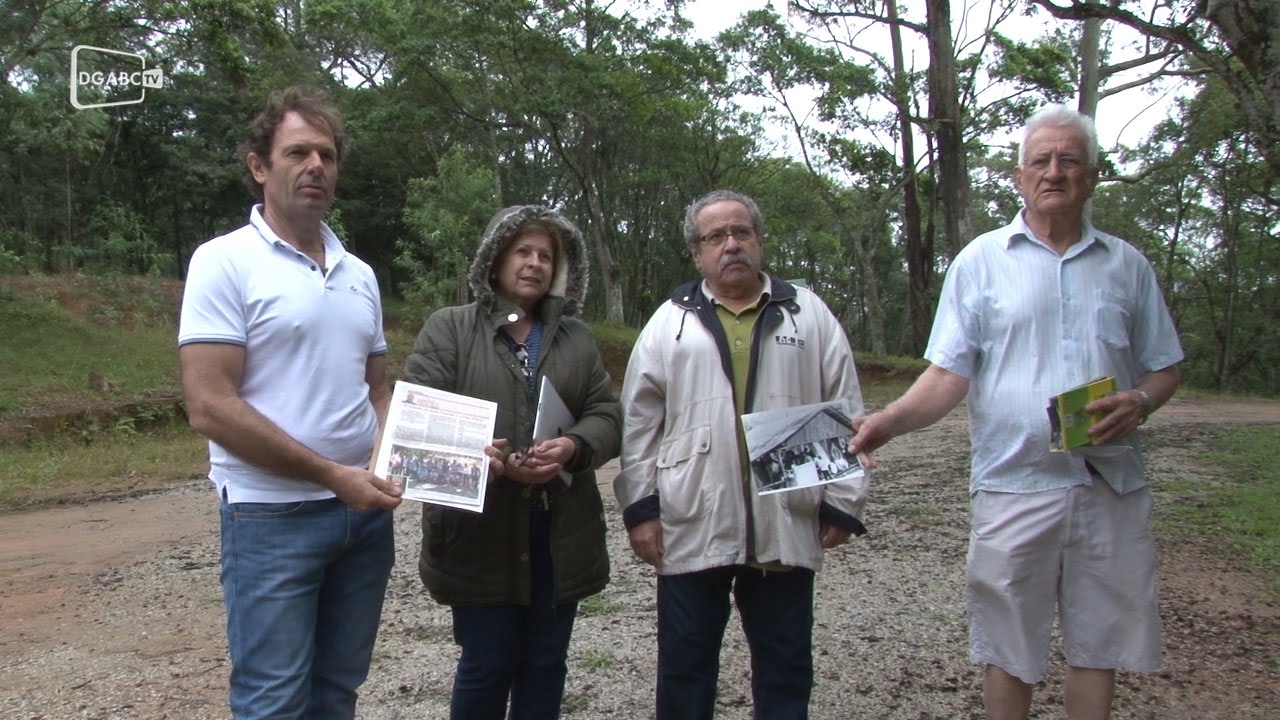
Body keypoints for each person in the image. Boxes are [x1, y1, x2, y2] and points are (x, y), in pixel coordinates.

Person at [849, 104, 1184, 720]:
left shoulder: (1127, 266)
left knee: (1098, 645)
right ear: (1019, 175)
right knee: (1007, 647)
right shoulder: (980, 262)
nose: (1054, 171)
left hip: (1108, 484)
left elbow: (1164, 366)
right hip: (1011, 483)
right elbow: (949, 374)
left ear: (1092, 176)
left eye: (1069, 160)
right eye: (1041, 160)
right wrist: (888, 422)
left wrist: (1140, 399)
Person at [177, 86, 402, 720]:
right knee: (273, 700)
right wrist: (333, 475)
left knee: (336, 692)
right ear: (258, 165)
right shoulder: (224, 262)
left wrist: (413, 460)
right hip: (271, 520)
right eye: (297, 152)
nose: (315, 167)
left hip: (362, 522)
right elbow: (209, 405)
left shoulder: (359, 274)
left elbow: (377, 391)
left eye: (327, 155)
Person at [615, 189, 870, 719]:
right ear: (697, 252)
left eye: (741, 232)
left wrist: (845, 499)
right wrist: (641, 510)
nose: (730, 245)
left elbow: (846, 405)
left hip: (786, 514)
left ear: (759, 240)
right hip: (693, 517)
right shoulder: (669, 322)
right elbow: (639, 423)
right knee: (685, 666)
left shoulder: (808, 313)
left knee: (785, 666)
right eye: (716, 236)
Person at [402, 205, 622, 720]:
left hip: (561, 529)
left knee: (546, 663)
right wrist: (488, 461)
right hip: (477, 532)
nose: (535, 263)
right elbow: (418, 419)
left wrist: (573, 446)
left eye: (547, 255)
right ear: (495, 259)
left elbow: (607, 415)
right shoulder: (449, 329)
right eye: (523, 251)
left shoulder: (577, 338)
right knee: (487, 662)